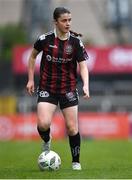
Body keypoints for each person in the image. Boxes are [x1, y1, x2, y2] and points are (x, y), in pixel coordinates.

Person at [26, 7, 90, 170]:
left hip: (68, 89)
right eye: (64, 20)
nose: (68, 23)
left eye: (69, 20)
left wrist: (86, 85)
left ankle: (76, 162)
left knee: (72, 127)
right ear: (55, 22)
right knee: (43, 124)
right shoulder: (44, 39)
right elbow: (32, 56)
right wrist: (31, 79)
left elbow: (83, 66)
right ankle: (47, 140)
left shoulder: (75, 42)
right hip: (47, 88)